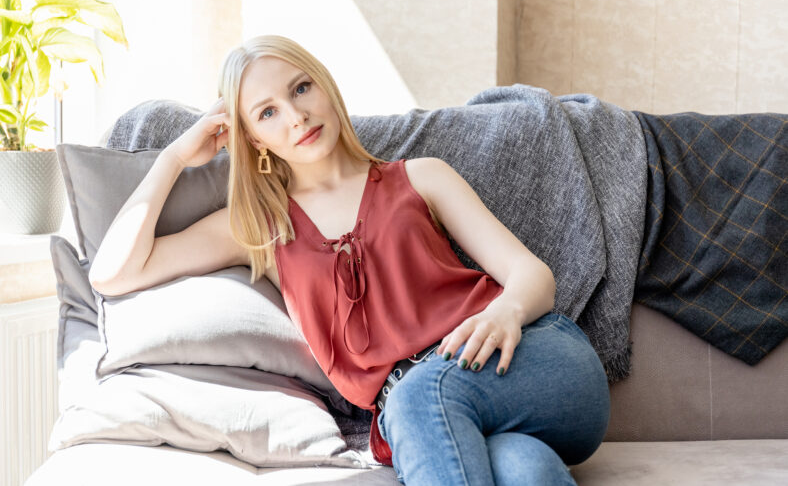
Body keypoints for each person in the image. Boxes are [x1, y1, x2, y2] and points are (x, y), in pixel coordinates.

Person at [89, 34, 610, 485]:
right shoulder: (263, 229)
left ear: (325, 85)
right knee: (526, 471)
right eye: (267, 112)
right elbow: (115, 274)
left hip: (530, 360)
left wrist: (506, 311)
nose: (296, 117)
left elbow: (532, 276)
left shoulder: (422, 177)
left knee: (415, 396)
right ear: (252, 138)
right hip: (429, 420)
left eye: (301, 88)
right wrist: (174, 157)